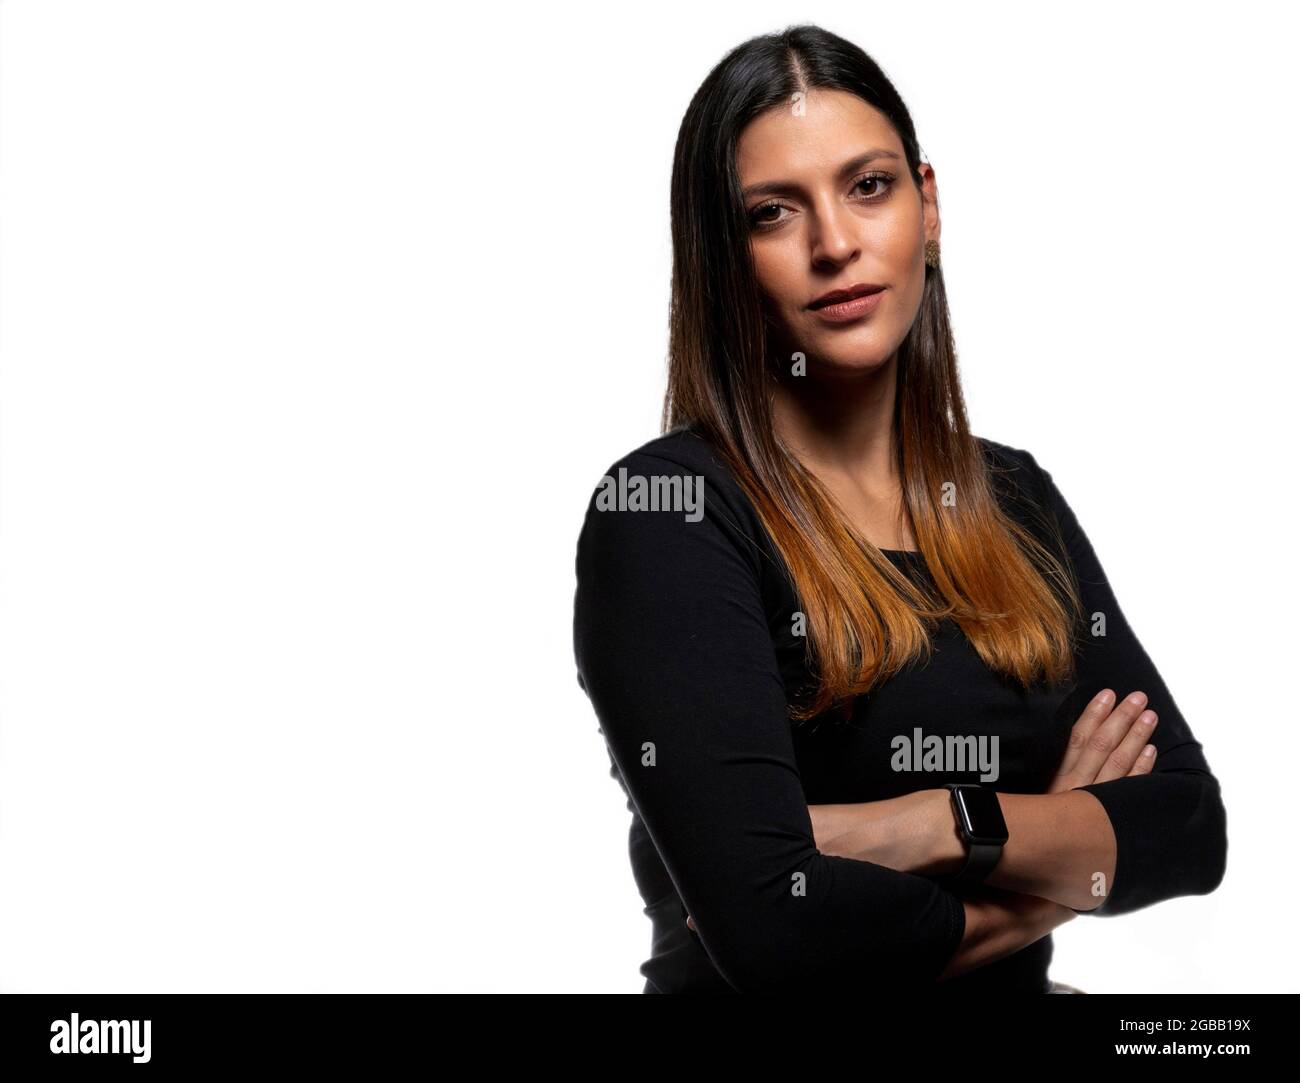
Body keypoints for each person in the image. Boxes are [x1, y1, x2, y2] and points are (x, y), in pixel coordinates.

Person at [571, 24, 1227, 994]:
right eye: (772, 212)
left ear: (926, 205)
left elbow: (1185, 828)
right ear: (722, 255)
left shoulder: (1012, 499)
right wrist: (1054, 860)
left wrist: (930, 823)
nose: (835, 243)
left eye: (867, 187)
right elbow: (779, 938)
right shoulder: (665, 514)